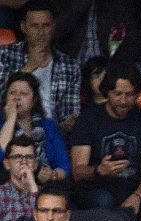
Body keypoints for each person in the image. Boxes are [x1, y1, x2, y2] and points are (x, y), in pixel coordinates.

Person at [67, 62, 141, 218]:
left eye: (129, 94)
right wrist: (99, 170)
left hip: (134, 188)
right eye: (117, 94)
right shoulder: (89, 118)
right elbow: (78, 171)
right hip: (97, 189)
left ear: (138, 94)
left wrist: (137, 197)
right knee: (104, 200)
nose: (123, 101)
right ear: (107, 92)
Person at [0, 3, 82, 132]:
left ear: (54, 26)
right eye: (34, 26)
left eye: (46, 25)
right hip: (9, 130)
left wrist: (66, 124)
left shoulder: (69, 66)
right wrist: (29, 67)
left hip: (52, 134)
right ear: (23, 27)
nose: (41, 32)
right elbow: (2, 101)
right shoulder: (4, 55)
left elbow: (70, 113)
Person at [0, 73, 67, 181]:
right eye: (12, 93)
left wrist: (53, 174)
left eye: (23, 93)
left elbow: (64, 165)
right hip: (8, 185)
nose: (17, 97)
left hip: (46, 185)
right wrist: (10, 120)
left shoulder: (48, 125)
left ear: (34, 100)